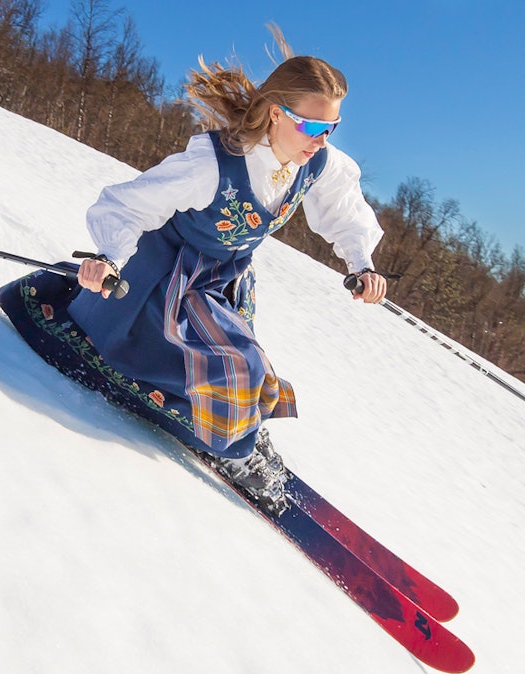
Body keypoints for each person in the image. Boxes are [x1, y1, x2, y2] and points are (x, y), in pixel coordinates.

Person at [64, 32, 386, 512]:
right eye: (310, 125)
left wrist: (362, 262)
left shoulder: (316, 162)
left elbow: (344, 209)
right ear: (276, 112)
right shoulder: (212, 165)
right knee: (238, 362)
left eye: (331, 128)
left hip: (225, 277)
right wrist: (109, 256)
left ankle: (239, 431)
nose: (320, 140)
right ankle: (233, 450)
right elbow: (129, 205)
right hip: (172, 271)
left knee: (242, 357)